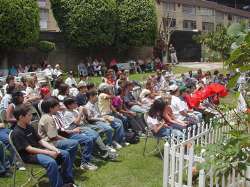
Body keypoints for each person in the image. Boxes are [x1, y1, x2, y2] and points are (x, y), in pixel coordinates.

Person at [12, 104, 77, 187]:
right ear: (21, 117)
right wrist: (48, 153)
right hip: (28, 156)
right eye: (29, 115)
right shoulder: (17, 132)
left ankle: (68, 182)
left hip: (38, 151)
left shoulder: (29, 127)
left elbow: (41, 141)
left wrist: (54, 149)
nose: (32, 116)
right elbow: (29, 149)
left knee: (65, 154)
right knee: (51, 162)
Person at [63, 97, 116, 163]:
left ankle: (103, 150)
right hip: (78, 128)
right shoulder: (67, 113)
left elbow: (84, 119)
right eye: (74, 103)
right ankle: (105, 152)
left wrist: (84, 112)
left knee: (100, 131)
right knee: (94, 135)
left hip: (85, 125)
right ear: (69, 105)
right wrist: (80, 112)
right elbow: (77, 123)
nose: (76, 104)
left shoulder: (74, 110)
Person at [38, 98, 79, 168]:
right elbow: (53, 137)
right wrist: (66, 140)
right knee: (73, 143)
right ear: (51, 108)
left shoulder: (47, 116)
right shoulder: (48, 119)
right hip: (49, 143)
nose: (59, 107)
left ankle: (66, 164)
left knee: (72, 143)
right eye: (57, 106)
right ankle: (66, 165)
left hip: (51, 141)